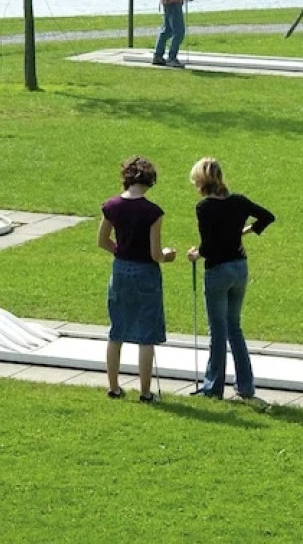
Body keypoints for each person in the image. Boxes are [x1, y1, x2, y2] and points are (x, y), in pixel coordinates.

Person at [185, 157, 275, 401]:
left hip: (218, 271)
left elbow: (209, 245)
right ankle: (245, 386)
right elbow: (267, 216)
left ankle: (213, 387)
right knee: (234, 327)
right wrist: (245, 231)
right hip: (239, 268)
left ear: (201, 182)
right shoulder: (238, 201)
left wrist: (195, 255)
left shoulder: (204, 207)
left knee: (218, 331)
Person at [98, 155, 177, 402]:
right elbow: (155, 253)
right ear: (150, 181)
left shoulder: (111, 206)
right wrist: (167, 256)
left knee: (117, 330)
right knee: (147, 334)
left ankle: (113, 387)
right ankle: (145, 392)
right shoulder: (153, 212)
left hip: (120, 269)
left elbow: (102, 241)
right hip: (146, 272)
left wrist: (121, 252)